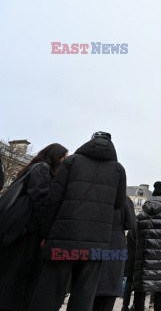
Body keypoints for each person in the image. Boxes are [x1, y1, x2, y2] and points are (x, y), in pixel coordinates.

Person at [31, 132, 126, 311]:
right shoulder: (118, 169)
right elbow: (118, 204)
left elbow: (53, 199)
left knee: (50, 291)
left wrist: (45, 233)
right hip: (96, 243)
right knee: (84, 295)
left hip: (64, 237)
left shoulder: (71, 161)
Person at [0, 143, 68, 311]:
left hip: (22, 230)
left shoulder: (36, 168)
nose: (66, 161)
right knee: (14, 279)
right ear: (55, 156)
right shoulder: (42, 170)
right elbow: (41, 201)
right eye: (64, 157)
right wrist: (46, 233)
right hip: (24, 230)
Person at [131, 181, 161, 311]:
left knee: (141, 284)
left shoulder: (143, 209)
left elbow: (135, 230)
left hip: (144, 252)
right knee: (160, 285)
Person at [93, 196, 136, 311]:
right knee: (110, 287)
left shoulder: (94, 193)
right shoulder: (125, 199)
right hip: (116, 242)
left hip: (94, 238)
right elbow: (131, 223)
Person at [121, 229, 136, 311]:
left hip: (129, 259)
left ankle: (124, 306)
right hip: (138, 259)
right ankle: (135, 305)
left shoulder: (131, 231)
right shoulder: (142, 230)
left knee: (128, 282)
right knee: (138, 283)